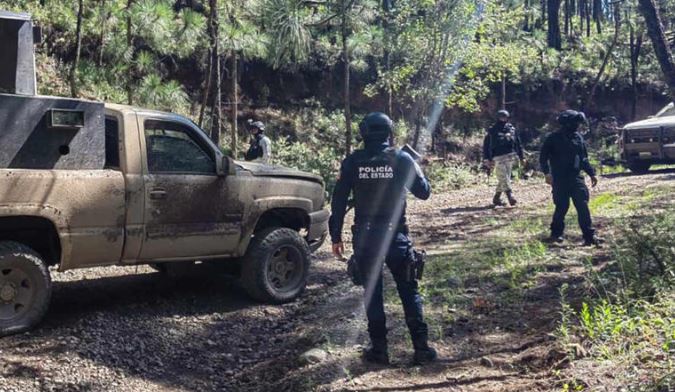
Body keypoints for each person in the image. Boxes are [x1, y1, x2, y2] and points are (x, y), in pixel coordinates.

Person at [329, 112, 437, 365]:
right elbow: (424, 193)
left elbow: (338, 201)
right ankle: (421, 349)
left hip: (365, 238)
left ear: (363, 133)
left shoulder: (352, 161)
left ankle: (379, 351)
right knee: (409, 291)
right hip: (396, 236)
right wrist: (415, 166)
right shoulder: (402, 158)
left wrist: (336, 236)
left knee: (372, 294)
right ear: (389, 132)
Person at [540, 110, 601, 246]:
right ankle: (556, 234)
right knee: (562, 207)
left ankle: (589, 236)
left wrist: (591, 173)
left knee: (582, 205)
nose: (578, 126)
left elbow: (583, 158)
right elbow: (543, 157)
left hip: (576, 178)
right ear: (568, 123)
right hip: (559, 179)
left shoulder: (578, 138)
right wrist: (547, 173)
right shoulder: (553, 138)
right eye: (576, 123)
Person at [482, 110, 525, 206]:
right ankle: (510, 196)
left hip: (510, 156)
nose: (503, 119)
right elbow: (486, 146)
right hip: (497, 157)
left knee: (505, 177)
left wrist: (522, 157)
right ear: (497, 118)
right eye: (501, 117)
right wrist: (486, 159)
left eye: (505, 117)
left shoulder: (511, 129)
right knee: (503, 177)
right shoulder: (492, 130)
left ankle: (496, 198)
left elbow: (518, 143)